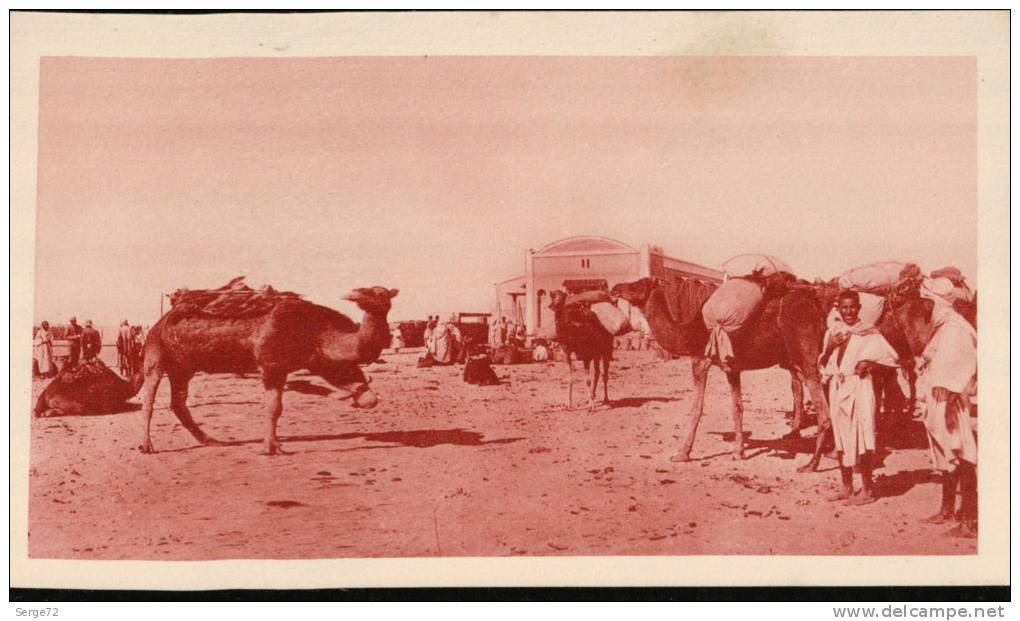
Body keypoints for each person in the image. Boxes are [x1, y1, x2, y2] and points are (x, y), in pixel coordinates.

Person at [819, 291, 900, 505]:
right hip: (838, 386)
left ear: (859, 308)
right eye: (844, 308)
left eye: (852, 307)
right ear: (838, 309)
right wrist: (831, 347)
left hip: (861, 387)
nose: (848, 312)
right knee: (841, 437)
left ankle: (867, 490)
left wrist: (870, 364)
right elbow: (823, 362)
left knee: (863, 438)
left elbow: (892, 360)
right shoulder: (833, 332)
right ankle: (846, 487)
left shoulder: (870, 333)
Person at [917, 277, 978, 538]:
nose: (923, 308)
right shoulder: (945, 327)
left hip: (951, 404)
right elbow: (929, 359)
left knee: (962, 458)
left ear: (938, 303)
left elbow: (963, 371)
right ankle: (947, 509)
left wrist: (950, 409)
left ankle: (969, 521)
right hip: (939, 401)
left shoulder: (956, 330)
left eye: (926, 302)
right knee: (945, 458)